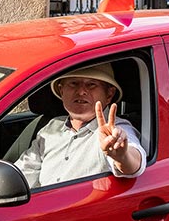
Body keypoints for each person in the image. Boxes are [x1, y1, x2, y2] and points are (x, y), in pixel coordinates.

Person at [14, 63, 146, 189]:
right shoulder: (51, 128)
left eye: (91, 85)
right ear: (61, 90)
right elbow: (23, 173)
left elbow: (134, 164)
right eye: (74, 83)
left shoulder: (114, 131)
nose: (81, 91)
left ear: (109, 94)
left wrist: (121, 157)